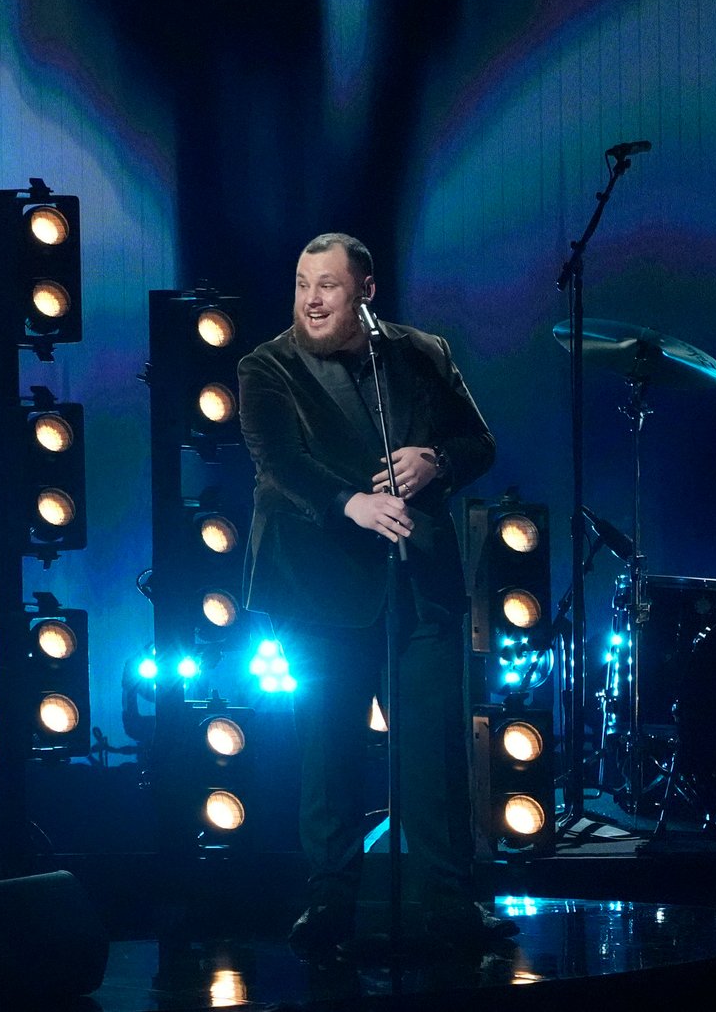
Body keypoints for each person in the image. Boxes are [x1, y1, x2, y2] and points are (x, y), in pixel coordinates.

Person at [238, 232, 512, 952]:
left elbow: (479, 442)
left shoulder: (423, 352)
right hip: (320, 579)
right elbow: (278, 460)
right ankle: (329, 900)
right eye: (302, 283)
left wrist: (436, 461)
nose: (311, 298)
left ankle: (451, 902)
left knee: (434, 749)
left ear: (365, 291)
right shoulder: (268, 365)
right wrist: (348, 504)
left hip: (417, 580)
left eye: (327, 284)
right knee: (329, 746)